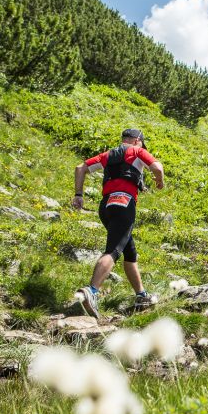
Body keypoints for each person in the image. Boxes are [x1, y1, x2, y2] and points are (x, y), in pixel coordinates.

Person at [71, 128, 165, 318]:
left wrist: (79, 194)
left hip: (105, 206)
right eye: (142, 143)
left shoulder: (108, 154)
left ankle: (141, 296)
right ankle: (92, 291)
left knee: (129, 251)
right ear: (137, 140)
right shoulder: (137, 151)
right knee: (113, 250)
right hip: (124, 203)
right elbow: (157, 167)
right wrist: (159, 181)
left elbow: (80, 168)